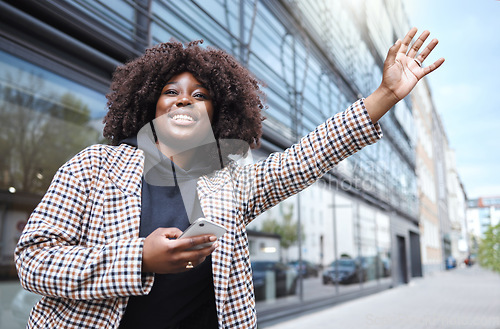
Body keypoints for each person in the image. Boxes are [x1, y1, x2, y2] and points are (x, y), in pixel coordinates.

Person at [15, 27, 444, 328]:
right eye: (171, 91)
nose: (185, 100)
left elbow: (305, 158)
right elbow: (32, 261)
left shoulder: (228, 180)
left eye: (200, 95)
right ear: (150, 104)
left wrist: (385, 95)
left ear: (216, 114)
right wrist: (139, 259)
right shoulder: (93, 166)